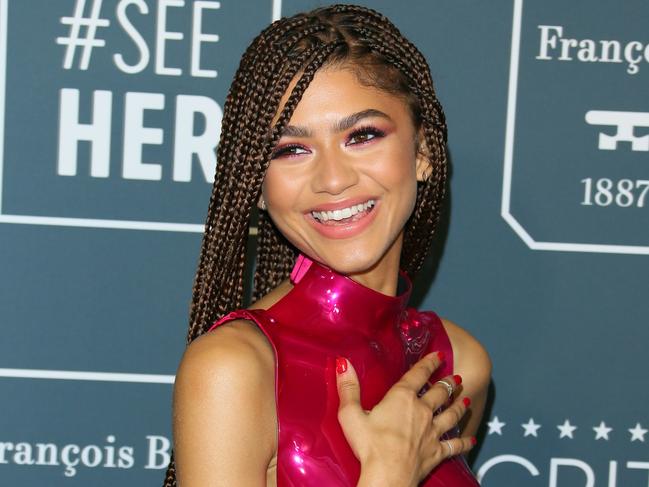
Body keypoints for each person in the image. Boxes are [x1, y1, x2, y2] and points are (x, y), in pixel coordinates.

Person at [165, 4, 491, 486]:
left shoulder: (458, 363)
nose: (333, 180)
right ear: (257, 183)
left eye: (362, 136)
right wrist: (387, 474)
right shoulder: (234, 369)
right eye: (291, 150)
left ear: (423, 153)